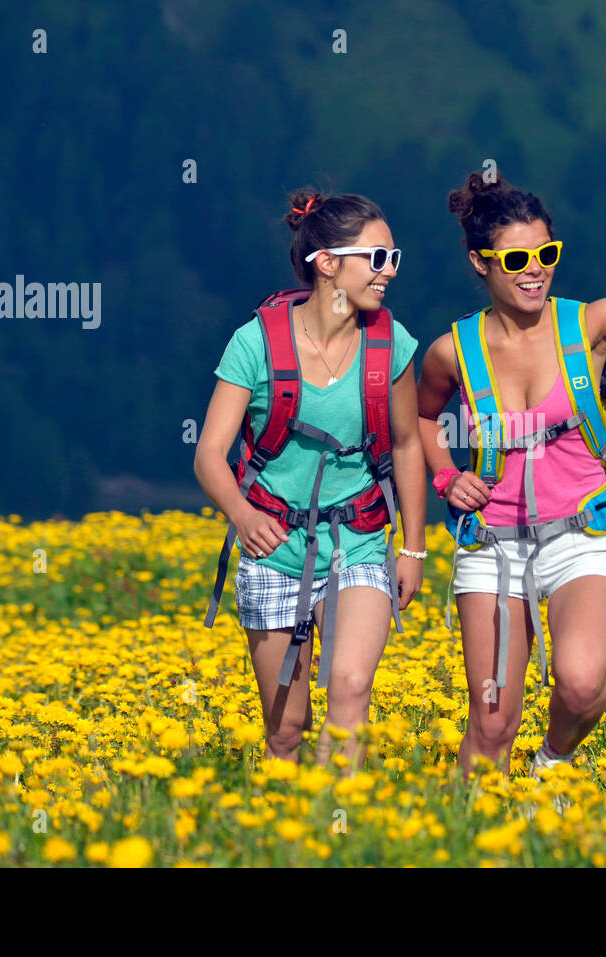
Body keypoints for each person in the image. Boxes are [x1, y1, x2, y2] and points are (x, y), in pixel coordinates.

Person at [416, 173, 606, 780]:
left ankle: (552, 763)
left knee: (579, 686)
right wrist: (446, 477)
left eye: (547, 254)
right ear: (480, 262)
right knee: (492, 721)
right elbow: (422, 418)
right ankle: (466, 832)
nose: (535, 270)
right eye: (517, 258)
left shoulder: (592, 323)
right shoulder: (451, 351)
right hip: (492, 542)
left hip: (584, 531)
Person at [194, 189, 426, 769]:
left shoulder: (389, 344)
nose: (389, 272)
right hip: (275, 548)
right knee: (286, 730)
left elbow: (405, 443)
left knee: (349, 687)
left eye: (394, 258)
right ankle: (289, 838)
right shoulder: (255, 344)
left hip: (361, 538)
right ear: (328, 263)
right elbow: (209, 455)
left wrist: (414, 548)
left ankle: (339, 834)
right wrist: (243, 517)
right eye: (377, 259)